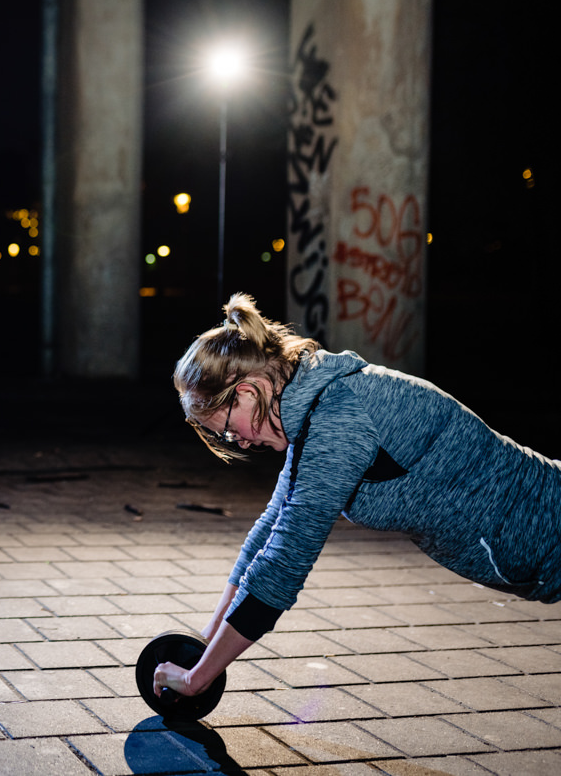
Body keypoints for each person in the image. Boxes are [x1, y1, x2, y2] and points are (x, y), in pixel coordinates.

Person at [154, 293, 561, 701]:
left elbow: (287, 558)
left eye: (226, 428)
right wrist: (204, 643)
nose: (236, 441)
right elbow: (270, 531)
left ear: (248, 390)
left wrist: (198, 678)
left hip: (548, 533)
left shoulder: (338, 418)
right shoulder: (313, 406)